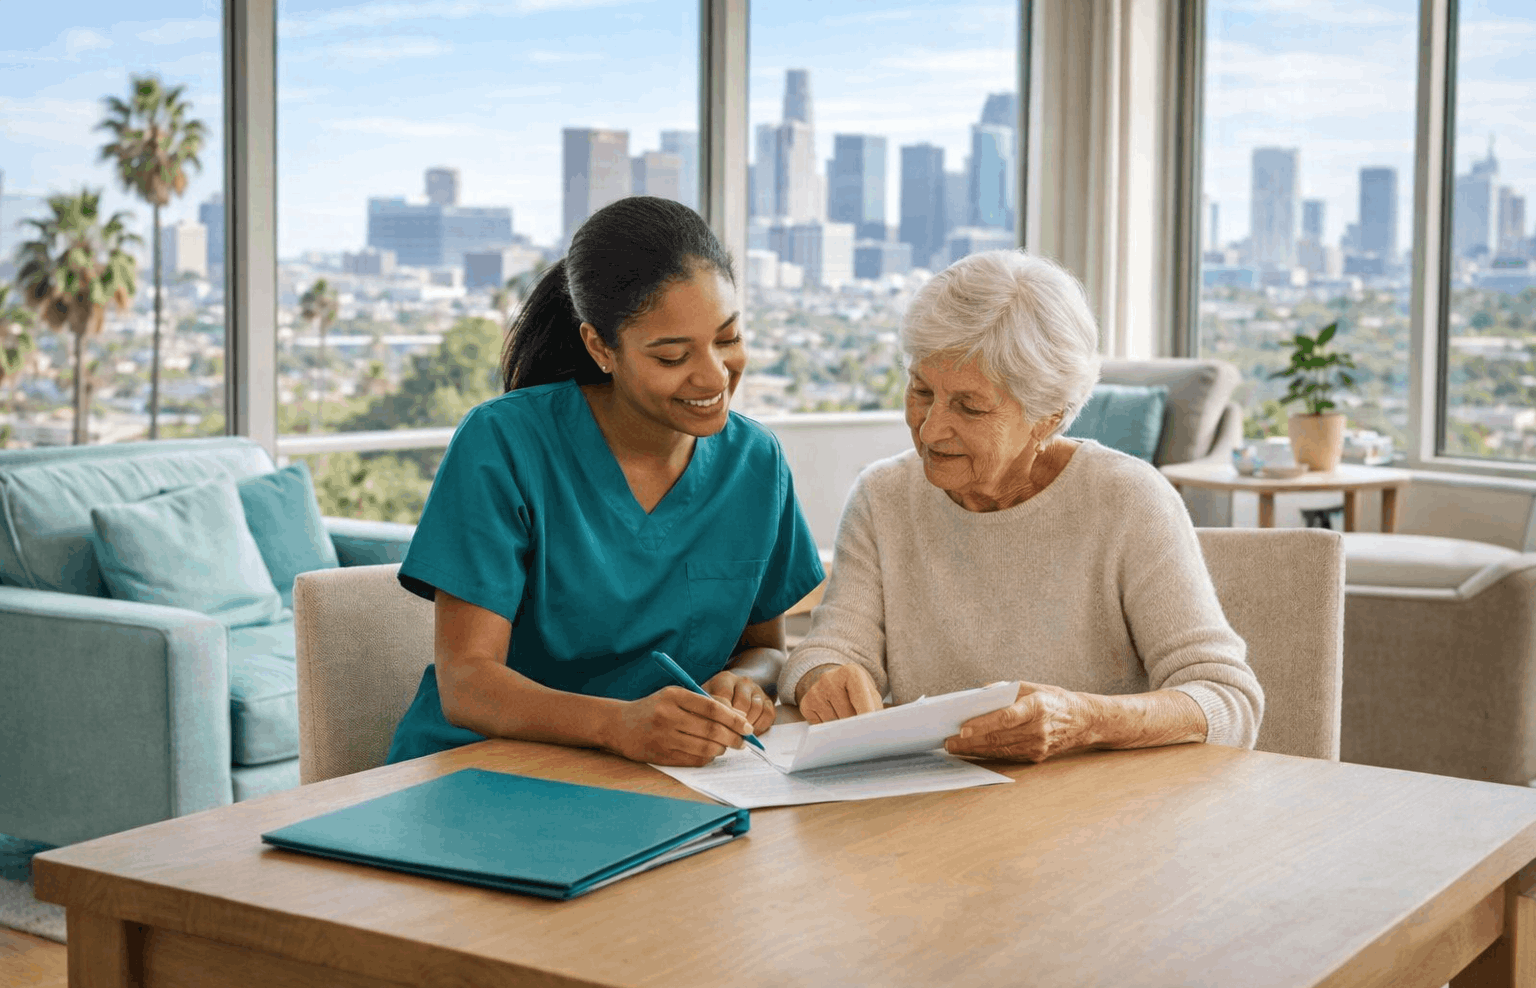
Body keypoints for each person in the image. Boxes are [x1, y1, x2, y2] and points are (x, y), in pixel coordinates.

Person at [386, 196, 824, 768]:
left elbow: (763, 648)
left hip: (656, 777)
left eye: (728, 338)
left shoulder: (756, 462)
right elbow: (468, 682)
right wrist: (619, 726)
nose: (715, 375)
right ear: (601, 349)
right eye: (672, 356)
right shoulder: (504, 443)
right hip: (483, 768)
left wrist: (741, 682)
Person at [779, 249, 1262, 761]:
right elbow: (828, 650)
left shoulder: (1127, 500)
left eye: (969, 406)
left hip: (1102, 812)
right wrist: (826, 676)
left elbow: (1226, 699)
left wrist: (1087, 720)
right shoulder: (884, 496)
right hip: (936, 809)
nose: (931, 427)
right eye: (921, 390)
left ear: (1047, 418)